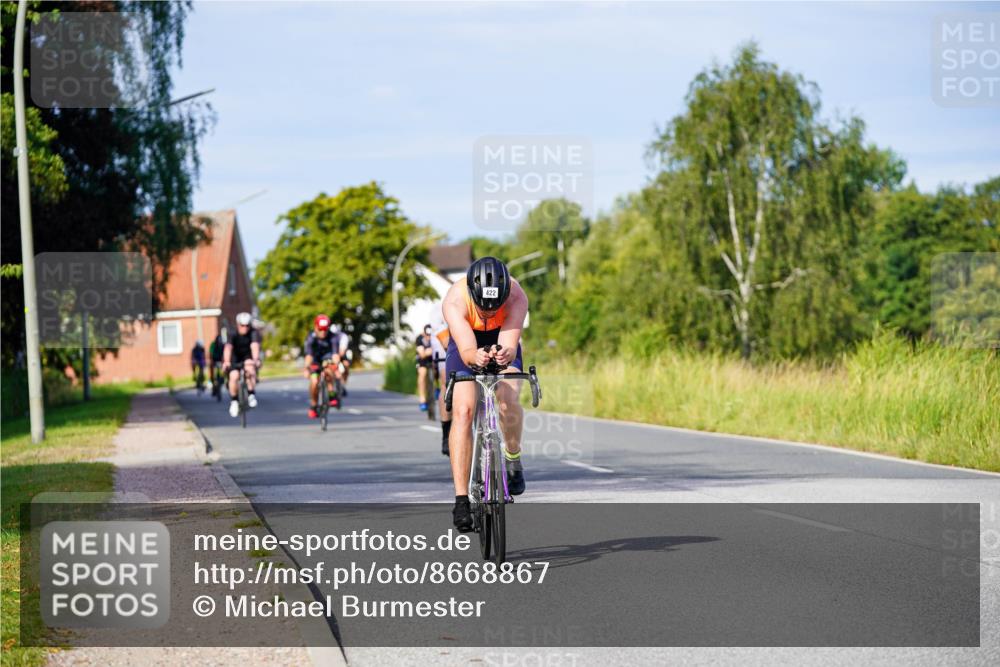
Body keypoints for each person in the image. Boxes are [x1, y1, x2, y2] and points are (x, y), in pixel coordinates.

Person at [443, 257, 528, 532]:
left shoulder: (516, 297)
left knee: (508, 397)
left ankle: (512, 457)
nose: (489, 313)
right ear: (472, 295)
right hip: (467, 340)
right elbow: (467, 351)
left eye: (496, 307)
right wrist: (473, 356)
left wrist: (505, 354)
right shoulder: (455, 301)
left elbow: (510, 346)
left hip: (501, 338)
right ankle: (461, 499)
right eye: (483, 308)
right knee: (464, 410)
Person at [223, 312, 262, 418]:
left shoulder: (253, 332)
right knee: (234, 376)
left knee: (250, 369)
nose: (245, 328)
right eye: (242, 325)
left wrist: (256, 359)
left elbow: (255, 346)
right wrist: (226, 361)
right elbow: (228, 348)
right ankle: (234, 402)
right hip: (235, 357)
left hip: (247, 356)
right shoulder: (232, 332)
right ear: (238, 324)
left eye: (247, 325)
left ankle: (251, 394)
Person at [303, 314, 342, 418]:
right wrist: (306, 367)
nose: (323, 332)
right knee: (314, 382)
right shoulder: (311, 338)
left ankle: (331, 394)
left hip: (327, 358)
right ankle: (314, 405)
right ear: (315, 327)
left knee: (329, 370)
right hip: (315, 359)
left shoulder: (333, 337)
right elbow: (309, 355)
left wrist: (336, 364)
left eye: (325, 330)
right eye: (320, 329)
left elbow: (335, 354)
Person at [429, 305, 452, 456]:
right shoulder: (440, 309)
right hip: (444, 338)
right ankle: (446, 432)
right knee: (447, 380)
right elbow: (445, 344)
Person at [414, 324, 434, 411]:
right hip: (423, 360)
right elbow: (422, 354)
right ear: (424, 333)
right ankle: (422, 399)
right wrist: (429, 351)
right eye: (427, 335)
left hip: (433, 358)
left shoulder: (435, 336)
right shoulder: (419, 338)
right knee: (422, 373)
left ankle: (438, 388)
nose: (429, 338)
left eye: (430, 335)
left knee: (440, 369)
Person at [330, 323, 351, 396]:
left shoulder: (343, 336)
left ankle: (343, 385)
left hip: (340, 354)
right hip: (330, 354)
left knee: (346, 365)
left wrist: (337, 358)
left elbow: (342, 350)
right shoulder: (328, 336)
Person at [208, 331, 225, 397]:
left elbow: (225, 354)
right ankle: (212, 382)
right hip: (214, 361)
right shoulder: (213, 344)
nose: (219, 341)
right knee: (212, 371)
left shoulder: (223, 345)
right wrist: (211, 360)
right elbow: (211, 353)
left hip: (220, 361)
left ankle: (222, 381)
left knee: (222, 373)